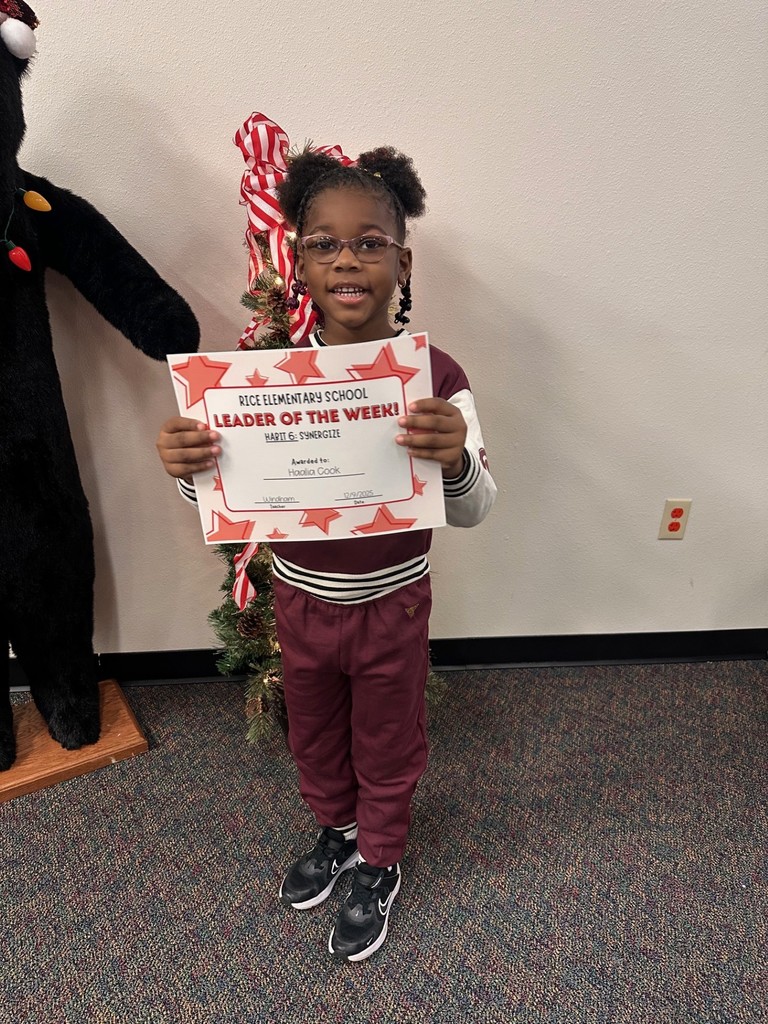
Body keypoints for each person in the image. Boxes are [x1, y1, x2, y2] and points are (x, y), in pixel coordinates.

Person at [156, 146, 497, 962]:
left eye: (370, 241)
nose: (347, 257)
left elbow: (478, 508)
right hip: (301, 604)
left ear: (401, 260)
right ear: (298, 259)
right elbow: (229, 505)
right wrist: (187, 470)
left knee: (388, 737)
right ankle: (339, 830)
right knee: (313, 733)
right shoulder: (262, 380)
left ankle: (380, 859)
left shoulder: (435, 378)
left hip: (393, 604)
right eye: (324, 242)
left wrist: (455, 459)